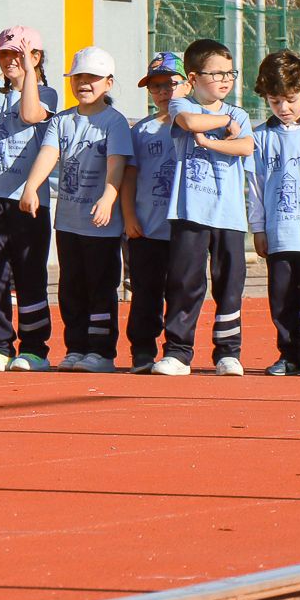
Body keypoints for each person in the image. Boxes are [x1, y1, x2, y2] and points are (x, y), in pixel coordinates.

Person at [22, 46, 131, 373]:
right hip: (68, 221)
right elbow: (48, 154)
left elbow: (117, 163)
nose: (84, 83)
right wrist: (30, 187)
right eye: (79, 77)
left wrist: (109, 196)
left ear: (108, 83)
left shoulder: (115, 122)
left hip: (101, 224)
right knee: (71, 287)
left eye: (93, 78)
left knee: (100, 286)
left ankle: (101, 352)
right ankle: (76, 347)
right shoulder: (63, 121)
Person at [153, 38, 255, 377]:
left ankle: (228, 352)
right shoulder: (181, 105)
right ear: (193, 78)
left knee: (229, 282)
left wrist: (213, 142)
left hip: (229, 215)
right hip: (189, 211)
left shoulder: (239, 112)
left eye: (230, 73)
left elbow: (246, 146)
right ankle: (178, 353)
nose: (226, 80)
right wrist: (222, 126)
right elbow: (191, 124)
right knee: (185, 281)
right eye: (217, 73)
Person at [0, 26, 58, 372]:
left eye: (17, 55)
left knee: (29, 273)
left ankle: (35, 348)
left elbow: (29, 114)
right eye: (5, 55)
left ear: (34, 58)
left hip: (28, 199)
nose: (8, 61)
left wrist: (30, 74)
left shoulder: (47, 94)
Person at [246, 49, 300, 377]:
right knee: (281, 296)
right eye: (274, 101)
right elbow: (255, 186)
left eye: (290, 99)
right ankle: (287, 352)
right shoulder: (259, 137)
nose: (283, 108)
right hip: (279, 233)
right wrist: (258, 227)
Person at [121, 53, 183, 375]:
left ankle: (176, 351)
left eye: (170, 84)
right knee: (145, 293)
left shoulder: (195, 123)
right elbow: (129, 176)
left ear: (187, 84)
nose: (163, 92)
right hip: (147, 228)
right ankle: (142, 351)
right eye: (155, 86)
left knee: (181, 292)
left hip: (183, 230)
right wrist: (129, 216)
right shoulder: (141, 131)